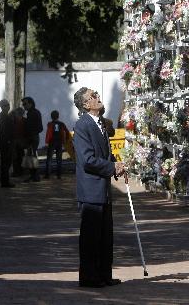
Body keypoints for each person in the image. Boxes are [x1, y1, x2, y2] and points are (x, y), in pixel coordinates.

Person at [72, 87, 124, 288]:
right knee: (90, 236)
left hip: (103, 189)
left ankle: (104, 274)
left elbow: (104, 155)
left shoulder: (100, 123)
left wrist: (117, 166)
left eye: (96, 94)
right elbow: (87, 160)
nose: (98, 97)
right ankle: (89, 277)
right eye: (93, 96)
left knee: (105, 235)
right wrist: (111, 166)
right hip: (90, 190)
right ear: (86, 104)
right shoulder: (83, 125)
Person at [22, 96, 43, 182]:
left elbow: (39, 127)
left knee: (32, 157)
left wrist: (31, 133)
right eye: (23, 104)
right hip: (33, 137)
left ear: (30, 104)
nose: (24, 106)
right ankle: (34, 176)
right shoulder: (33, 113)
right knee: (31, 157)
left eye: (25, 104)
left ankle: (35, 176)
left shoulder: (33, 113)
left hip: (32, 138)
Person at [44, 110, 70, 179]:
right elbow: (67, 132)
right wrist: (66, 140)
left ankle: (48, 175)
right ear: (58, 116)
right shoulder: (61, 124)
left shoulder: (50, 124)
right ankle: (59, 175)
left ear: (51, 117)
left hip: (52, 142)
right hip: (59, 142)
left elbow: (48, 133)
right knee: (59, 159)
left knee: (49, 159)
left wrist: (47, 141)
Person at [0, 99, 15, 188]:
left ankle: (5, 181)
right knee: (6, 162)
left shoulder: (5, 116)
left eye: (8, 105)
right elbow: (4, 131)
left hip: (6, 142)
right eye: (5, 105)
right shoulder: (2, 116)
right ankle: (5, 182)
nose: (8, 106)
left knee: (6, 162)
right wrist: (8, 141)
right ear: (2, 107)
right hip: (5, 142)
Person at [10, 107, 26, 177]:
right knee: (19, 156)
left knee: (17, 157)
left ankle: (18, 172)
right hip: (19, 140)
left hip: (16, 140)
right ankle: (19, 171)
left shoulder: (14, 121)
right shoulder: (23, 120)